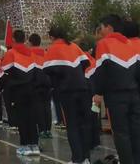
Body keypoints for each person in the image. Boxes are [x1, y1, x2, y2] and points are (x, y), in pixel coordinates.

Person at [91, 14, 140, 164]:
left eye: (102, 27)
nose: (101, 31)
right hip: (135, 95)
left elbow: (100, 72)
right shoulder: (130, 43)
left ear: (109, 27)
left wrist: (98, 93)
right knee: (136, 132)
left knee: (121, 134)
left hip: (116, 97)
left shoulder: (104, 44)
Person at [43, 26, 91, 164]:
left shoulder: (53, 49)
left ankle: (77, 159)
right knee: (83, 124)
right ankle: (86, 158)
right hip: (82, 89)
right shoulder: (74, 46)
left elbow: (47, 71)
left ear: (52, 37)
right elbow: (85, 62)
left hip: (66, 91)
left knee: (72, 125)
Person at [0, 29, 40, 157]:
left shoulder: (11, 53)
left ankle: (25, 145)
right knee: (32, 118)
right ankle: (34, 145)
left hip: (18, 91)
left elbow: (4, 73)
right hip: (32, 90)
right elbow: (36, 73)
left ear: (13, 39)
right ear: (24, 39)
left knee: (22, 119)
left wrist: (1, 87)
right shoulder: (31, 53)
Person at [28, 33, 52, 139]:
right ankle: (48, 130)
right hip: (47, 83)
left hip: (35, 83)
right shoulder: (46, 53)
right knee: (47, 107)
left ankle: (41, 130)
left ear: (30, 42)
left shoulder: (29, 53)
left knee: (38, 107)